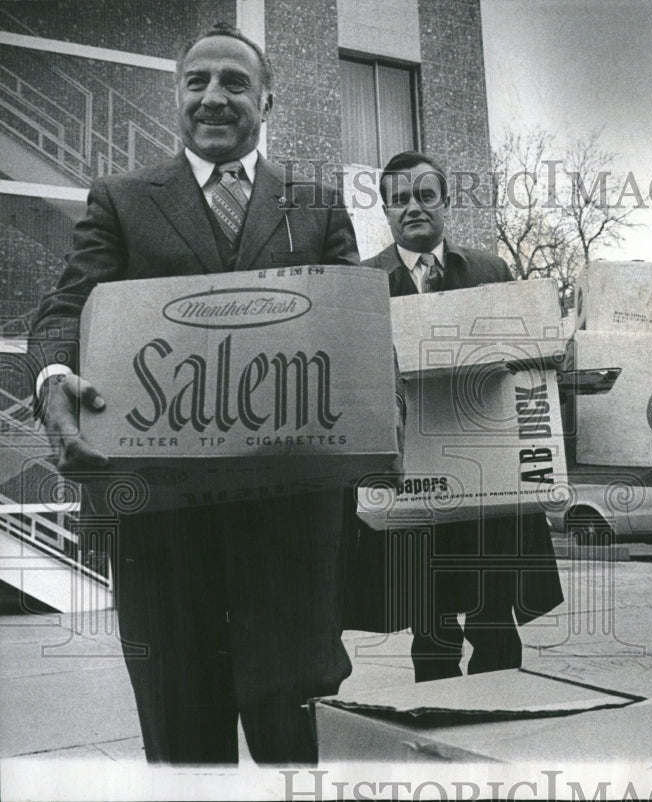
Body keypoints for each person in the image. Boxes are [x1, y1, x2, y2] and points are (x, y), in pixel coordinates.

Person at [29, 22, 398, 765]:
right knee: (183, 744)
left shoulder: (317, 204)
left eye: (234, 82)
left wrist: (381, 405)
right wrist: (53, 378)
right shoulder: (122, 200)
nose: (213, 96)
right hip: (162, 529)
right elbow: (64, 311)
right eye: (197, 81)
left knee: (297, 740)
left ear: (267, 99)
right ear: (178, 97)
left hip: (290, 528)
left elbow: (360, 323)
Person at [355, 151, 564, 683]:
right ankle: (442, 723)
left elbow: (527, 361)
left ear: (445, 202)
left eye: (425, 195)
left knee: (495, 620)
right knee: (431, 626)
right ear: (386, 211)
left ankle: (503, 721)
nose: (414, 208)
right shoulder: (364, 284)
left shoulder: (491, 272)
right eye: (399, 199)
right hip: (416, 487)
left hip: (488, 483)